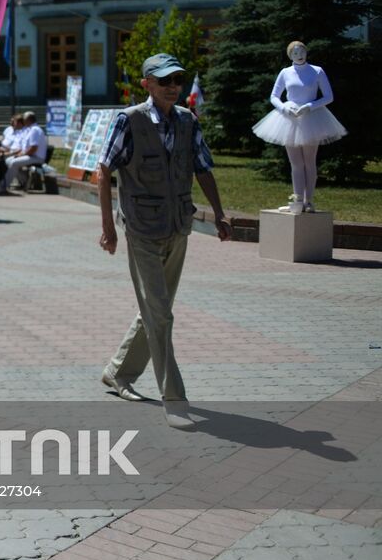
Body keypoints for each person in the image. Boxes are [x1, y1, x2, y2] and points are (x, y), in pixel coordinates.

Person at [97, 53, 232, 430]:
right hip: (141, 228)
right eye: (164, 81)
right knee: (161, 313)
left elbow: (203, 167)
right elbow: (104, 169)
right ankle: (174, 398)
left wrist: (218, 214)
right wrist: (108, 227)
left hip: (178, 225)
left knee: (156, 310)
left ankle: (117, 372)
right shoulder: (130, 120)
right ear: (147, 85)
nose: (173, 87)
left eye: (177, 80)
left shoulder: (188, 121)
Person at [251, 41, 347, 213]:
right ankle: (297, 200)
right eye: (295, 53)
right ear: (290, 55)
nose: (299, 55)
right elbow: (274, 96)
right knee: (295, 163)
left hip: (312, 118)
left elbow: (328, 96)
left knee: (309, 162)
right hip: (290, 119)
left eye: (301, 51)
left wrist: (310, 106)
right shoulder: (285, 72)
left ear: (306, 51)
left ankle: (308, 201)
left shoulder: (317, 71)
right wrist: (284, 107)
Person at [0, 110, 47, 193]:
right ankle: (24, 181)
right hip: (31, 155)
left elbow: (33, 148)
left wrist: (22, 155)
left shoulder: (35, 130)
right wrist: (20, 154)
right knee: (8, 160)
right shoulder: (31, 129)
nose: (23, 121)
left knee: (14, 163)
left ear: (28, 120)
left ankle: (3, 186)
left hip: (36, 157)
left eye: (24, 119)